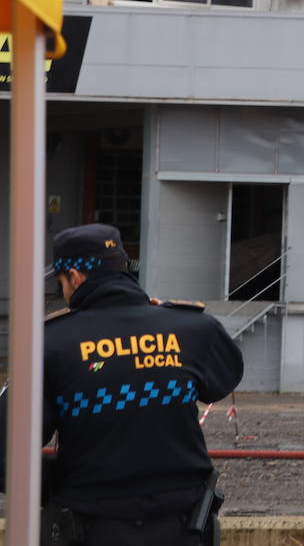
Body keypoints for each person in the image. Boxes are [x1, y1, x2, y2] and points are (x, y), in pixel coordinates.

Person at [0, 223, 244, 545]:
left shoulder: (50, 342)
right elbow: (224, 379)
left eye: (61, 283)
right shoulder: (194, 328)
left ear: (75, 276)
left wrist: (58, 481)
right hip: (183, 526)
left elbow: (7, 448)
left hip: (91, 525)